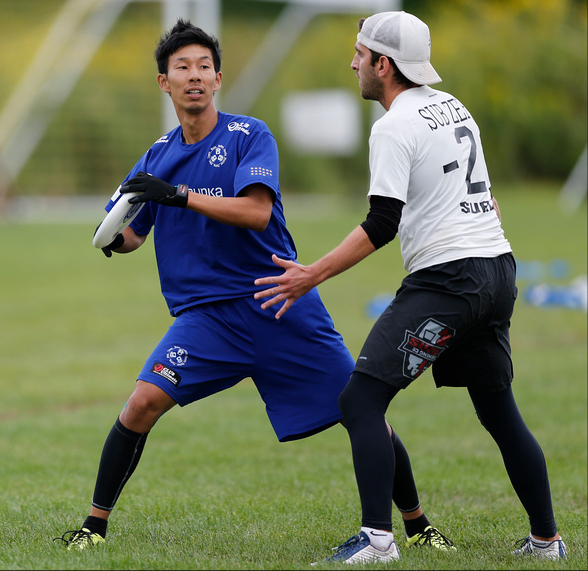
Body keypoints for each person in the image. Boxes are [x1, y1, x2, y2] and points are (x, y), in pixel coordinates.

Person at [56, 18, 451, 552]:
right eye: (182, 68)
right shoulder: (156, 157)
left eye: (204, 67)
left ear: (218, 79)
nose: (194, 77)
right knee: (141, 404)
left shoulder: (249, 135)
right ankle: (93, 527)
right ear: (163, 83)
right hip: (206, 320)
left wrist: (175, 195)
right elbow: (132, 235)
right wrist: (115, 239)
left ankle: (418, 526)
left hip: (280, 301)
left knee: (360, 411)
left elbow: (256, 213)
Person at [255, 10, 568, 564]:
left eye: (360, 53)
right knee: (499, 412)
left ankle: (378, 540)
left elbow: (382, 223)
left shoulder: (393, 124)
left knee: (360, 400)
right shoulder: (454, 107)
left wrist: (310, 275)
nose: (352, 62)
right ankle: (547, 540)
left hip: (451, 279)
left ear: (384, 63)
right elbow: (483, 198)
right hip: (497, 270)